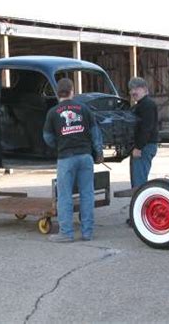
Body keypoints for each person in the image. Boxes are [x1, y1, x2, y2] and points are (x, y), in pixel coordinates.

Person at [43, 78, 103, 243]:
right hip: (85, 157)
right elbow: (96, 132)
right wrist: (98, 152)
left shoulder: (53, 112)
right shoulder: (84, 109)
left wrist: (59, 145)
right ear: (72, 91)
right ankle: (87, 233)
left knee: (64, 197)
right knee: (87, 194)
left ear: (57, 94)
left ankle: (66, 233)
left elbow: (47, 137)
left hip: (65, 158)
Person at [128, 77, 159, 188]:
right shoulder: (139, 105)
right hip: (144, 146)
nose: (133, 92)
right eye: (131, 89)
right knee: (138, 179)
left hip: (145, 147)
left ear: (145, 89)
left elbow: (147, 127)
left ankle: (141, 203)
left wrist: (138, 147)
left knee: (139, 182)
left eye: (136, 89)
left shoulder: (147, 105)